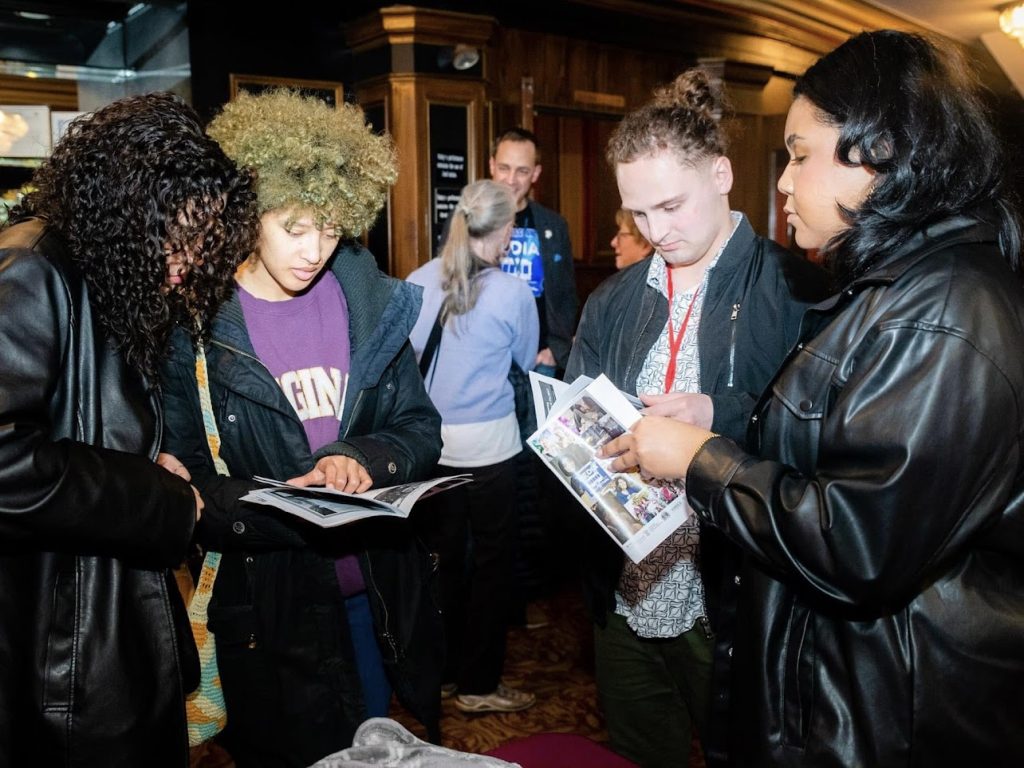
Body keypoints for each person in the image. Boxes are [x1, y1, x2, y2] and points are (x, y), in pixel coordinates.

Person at [602, 30, 1024, 767]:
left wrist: (704, 457)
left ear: (880, 151)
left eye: (800, 154)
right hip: (848, 689)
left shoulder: (943, 310)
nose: (786, 183)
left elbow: (857, 542)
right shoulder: (896, 290)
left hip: (889, 710)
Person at [160, 89, 444, 767]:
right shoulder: (198, 328)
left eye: (331, 227)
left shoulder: (369, 307)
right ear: (250, 211)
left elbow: (419, 428)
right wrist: (287, 508)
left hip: (367, 599)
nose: (315, 249)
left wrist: (362, 457)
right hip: (266, 614)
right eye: (293, 227)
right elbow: (182, 478)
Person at [564, 68, 826, 768]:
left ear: (721, 174)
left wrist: (722, 413)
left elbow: (829, 443)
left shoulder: (798, 289)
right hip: (628, 586)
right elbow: (578, 411)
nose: (656, 231)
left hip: (737, 598)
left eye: (671, 206)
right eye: (637, 214)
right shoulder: (613, 300)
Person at [0, 92, 258, 767]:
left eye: (205, 236)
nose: (193, 253)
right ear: (127, 200)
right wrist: (158, 499)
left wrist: (153, 467)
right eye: (181, 228)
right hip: (60, 660)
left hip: (101, 631)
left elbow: (80, 439)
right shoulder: (33, 269)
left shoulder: (107, 274)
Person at [407, 179, 539, 714]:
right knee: (492, 569)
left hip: (434, 450)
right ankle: (478, 685)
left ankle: (437, 674)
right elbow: (527, 364)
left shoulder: (416, 281)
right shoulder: (512, 293)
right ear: (507, 231)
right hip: (491, 453)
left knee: (440, 565)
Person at [488, 127, 578, 376]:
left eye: (522, 171)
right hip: (486, 355)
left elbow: (566, 293)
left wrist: (555, 349)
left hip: (541, 361)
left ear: (535, 173)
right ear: (491, 166)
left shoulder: (554, 226)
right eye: (504, 168)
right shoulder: (466, 222)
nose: (511, 179)